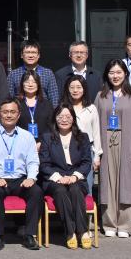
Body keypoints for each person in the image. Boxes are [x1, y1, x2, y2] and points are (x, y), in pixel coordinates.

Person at [0, 98, 43, 250]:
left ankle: (29, 235)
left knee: (36, 192)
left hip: (20, 180)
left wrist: (31, 178)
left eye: (13, 112)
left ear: (18, 115)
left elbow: (33, 161)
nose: (9, 115)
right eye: (5, 112)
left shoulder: (27, 136)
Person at [96, 59, 131, 238]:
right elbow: (95, 124)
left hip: (127, 141)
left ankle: (124, 224)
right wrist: (96, 151)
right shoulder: (101, 95)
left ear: (125, 74)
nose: (115, 76)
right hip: (106, 141)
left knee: (126, 183)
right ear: (107, 75)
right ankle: (109, 223)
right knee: (107, 183)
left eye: (118, 72)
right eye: (111, 73)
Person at [39, 104, 94, 250]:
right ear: (55, 118)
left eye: (68, 116)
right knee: (60, 191)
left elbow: (87, 162)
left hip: (76, 178)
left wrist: (74, 177)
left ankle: (82, 231)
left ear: (73, 119)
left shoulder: (82, 137)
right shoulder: (47, 138)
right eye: (60, 116)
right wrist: (58, 177)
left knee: (75, 190)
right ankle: (70, 232)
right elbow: (44, 164)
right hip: (54, 179)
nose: (64, 120)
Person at [59, 75, 102, 196]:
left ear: (84, 89)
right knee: (67, 187)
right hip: (66, 151)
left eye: (78, 87)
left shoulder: (91, 108)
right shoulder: (63, 108)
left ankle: (87, 209)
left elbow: (96, 133)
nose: (75, 90)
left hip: (86, 152)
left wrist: (97, 156)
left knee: (86, 185)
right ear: (67, 89)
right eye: (72, 87)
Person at [7, 40, 60, 106]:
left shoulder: (48, 73)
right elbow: (9, 98)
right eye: (27, 52)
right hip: (21, 110)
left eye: (34, 52)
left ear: (38, 55)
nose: (30, 55)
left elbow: (54, 98)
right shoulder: (13, 74)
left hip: (43, 110)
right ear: (21, 55)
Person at [15, 70, 54, 145]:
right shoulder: (16, 103)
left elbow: (51, 127)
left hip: (43, 145)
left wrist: (42, 143)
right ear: (22, 84)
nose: (30, 85)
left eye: (34, 82)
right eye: (27, 82)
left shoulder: (47, 104)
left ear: (38, 84)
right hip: (21, 144)